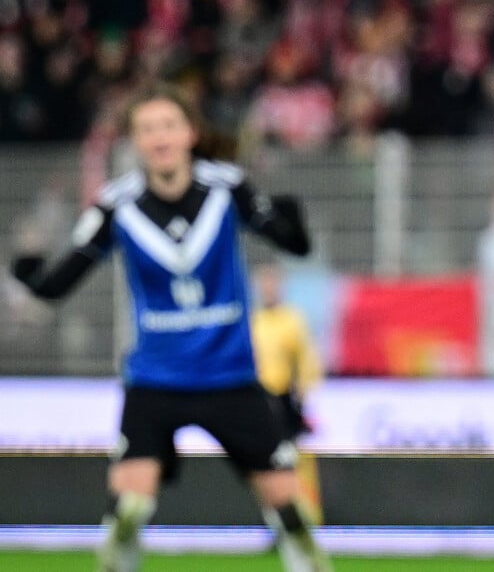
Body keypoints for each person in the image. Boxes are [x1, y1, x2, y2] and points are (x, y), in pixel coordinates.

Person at [10, 84, 333, 572]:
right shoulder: (116, 205)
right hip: (156, 380)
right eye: (147, 128)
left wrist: (294, 221)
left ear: (190, 133)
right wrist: (32, 276)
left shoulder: (227, 188)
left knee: (290, 511)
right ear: (135, 140)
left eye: (168, 125)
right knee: (129, 507)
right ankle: (120, 554)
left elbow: (292, 244)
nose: (159, 137)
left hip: (231, 378)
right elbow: (61, 281)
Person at [251, 261, 324, 525]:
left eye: (272, 284)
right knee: (265, 463)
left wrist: (302, 395)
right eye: (264, 285)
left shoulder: (292, 320)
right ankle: (275, 520)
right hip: (259, 400)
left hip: (284, 399)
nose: (268, 290)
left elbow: (305, 360)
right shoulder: (255, 321)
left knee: (293, 460)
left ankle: (306, 516)